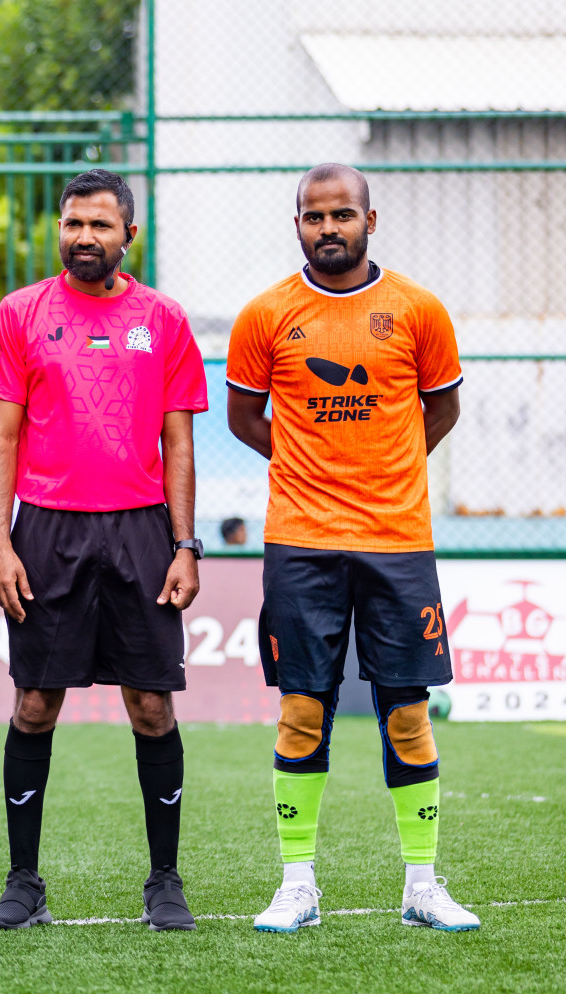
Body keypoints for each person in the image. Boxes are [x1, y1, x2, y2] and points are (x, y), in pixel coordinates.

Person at [226, 163, 476, 933]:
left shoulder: (417, 309)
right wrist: (311, 468)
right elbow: (243, 417)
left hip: (398, 540)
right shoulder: (266, 314)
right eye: (313, 216)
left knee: (407, 712)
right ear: (296, 223)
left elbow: (442, 409)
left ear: (372, 218)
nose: (328, 228)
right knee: (304, 709)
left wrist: (385, 466)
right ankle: (297, 885)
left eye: (342, 215)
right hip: (301, 541)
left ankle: (423, 886)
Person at [0, 169, 209, 931]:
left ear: (128, 236)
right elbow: (0, 433)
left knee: (150, 704)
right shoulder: (20, 314)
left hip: (141, 529)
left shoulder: (164, 320)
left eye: (100, 226)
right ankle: (23, 882)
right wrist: (1, 540)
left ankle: (165, 881)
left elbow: (179, 440)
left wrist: (185, 544)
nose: (84, 238)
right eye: (74, 224)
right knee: (35, 703)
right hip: (47, 531)